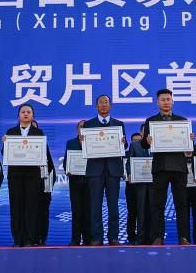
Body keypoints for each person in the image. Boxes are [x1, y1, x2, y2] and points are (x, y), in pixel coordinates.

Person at [141, 88, 195, 245]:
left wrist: (190, 139)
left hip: (179, 167)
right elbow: (144, 144)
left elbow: (188, 148)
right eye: (162, 99)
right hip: (160, 167)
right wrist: (147, 141)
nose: (166, 102)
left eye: (168, 99)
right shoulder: (151, 121)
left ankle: (184, 237)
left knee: (181, 204)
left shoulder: (182, 121)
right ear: (157, 102)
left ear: (172, 101)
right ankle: (157, 237)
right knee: (158, 204)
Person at [81, 95, 127, 246]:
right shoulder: (88, 125)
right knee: (95, 205)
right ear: (96, 106)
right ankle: (97, 237)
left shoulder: (119, 124)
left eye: (106, 102)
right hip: (95, 170)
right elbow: (84, 148)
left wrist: (124, 143)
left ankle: (113, 237)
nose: (104, 105)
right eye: (101, 102)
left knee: (113, 206)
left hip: (113, 170)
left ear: (110, 105)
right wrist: (83, 142)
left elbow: (124, 147)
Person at [5, 104, 45, 247]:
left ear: (33, 115)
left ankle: (29, 239)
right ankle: (17, 239)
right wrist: (5, 144)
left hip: (32, 175)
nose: (26, 114)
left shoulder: (39, 133)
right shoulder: (11, 132)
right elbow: (5, 154)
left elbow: (43, 153)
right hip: (15, 175)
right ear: (18, 115)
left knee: (31, 207)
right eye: (23, 112)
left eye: (29, 112)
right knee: (16, 207)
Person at [125, 132, 152, 245]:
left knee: (154, 211)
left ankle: (153, 238)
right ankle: (141, 238)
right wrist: (130, 174)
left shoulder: (159, 144)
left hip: (154, 184)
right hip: (139, 183)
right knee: (140, 211)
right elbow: (128, 163)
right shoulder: (135, 145)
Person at [65, 127, 91, 245]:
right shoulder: (70, 143)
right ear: (77, 129)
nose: (83, 128)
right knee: (76, 211)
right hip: (75, 181)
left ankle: (88, 239)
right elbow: (66, 161)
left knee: (88, 211)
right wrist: (68, 169)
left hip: (90, 181)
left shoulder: (92, 141)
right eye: (81, 126)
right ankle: (75, 239)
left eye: (85, 126)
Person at [38, 146, 55, 245]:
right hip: (30, 192)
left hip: (44, 192)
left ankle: (42, 238)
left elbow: (52, 172)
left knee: (43, 215)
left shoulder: (47, 157)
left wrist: (48, 188)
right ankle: (32, 238)